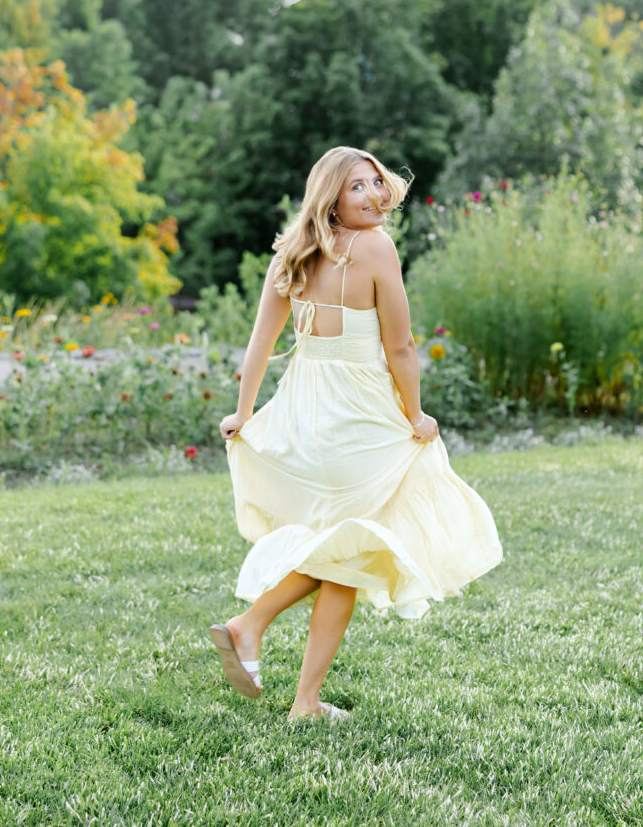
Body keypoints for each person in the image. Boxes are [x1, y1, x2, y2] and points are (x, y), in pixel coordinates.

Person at [212, 146, 503, 721]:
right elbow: (400, 345)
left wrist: (244, 413)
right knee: (348, 549)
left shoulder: (292, 255)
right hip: (357, 419)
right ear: (331, 200)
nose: (372, 195)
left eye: (375, 182)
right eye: (356, 188)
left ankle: (304, 701)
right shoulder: (375, 247)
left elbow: (260, 345)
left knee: (345, 553)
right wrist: (416, 415)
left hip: (305, 417)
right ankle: (251, 626)